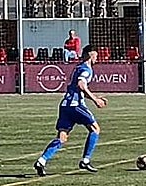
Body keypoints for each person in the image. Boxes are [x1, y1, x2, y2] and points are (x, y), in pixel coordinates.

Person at [35, 43, 106, 176]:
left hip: (65, 105)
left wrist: (94, 97)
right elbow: (81, 85)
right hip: (76, 106)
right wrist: (95, 100)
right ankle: (85, 160)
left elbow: (79, 88)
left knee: (62, 137)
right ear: (91, 55)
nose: (97, 58)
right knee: (95, 129)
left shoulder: (78, 68)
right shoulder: (86, 69)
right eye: (96, 55)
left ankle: (42, 161)